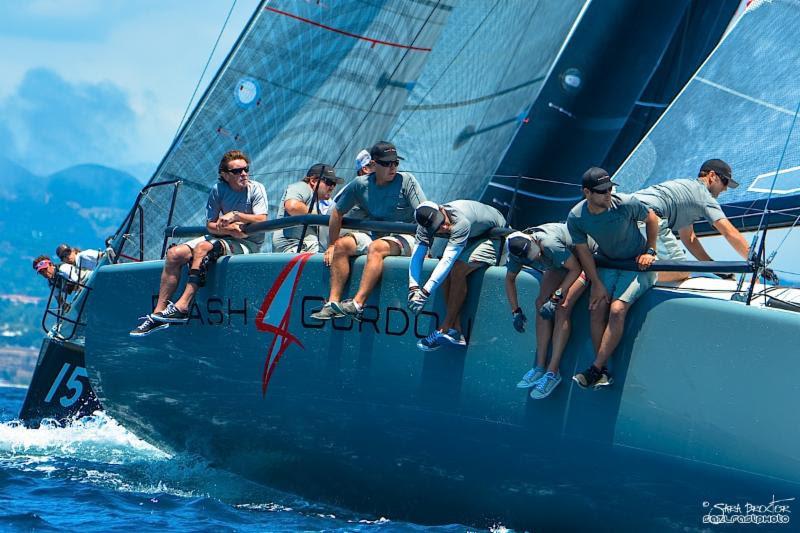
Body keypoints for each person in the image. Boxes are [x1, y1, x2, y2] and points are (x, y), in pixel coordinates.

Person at [130, 150, 268, 336]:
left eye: (246, 169)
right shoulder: (218, 190)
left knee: (203, 248)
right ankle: (157, 315)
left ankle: (183, 306)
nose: (243, 174)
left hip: (248, 243)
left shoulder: (256, 188)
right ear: (225, 175)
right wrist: (228, 229)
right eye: (237, 171)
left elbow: (261, 219)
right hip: (225, 236)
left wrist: (236, 215)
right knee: (174, 254)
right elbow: (210, 226)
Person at [310, 141, 426, 321]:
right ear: (373, 164)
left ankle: (357, 304)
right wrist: (332, 244)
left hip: (408, 236)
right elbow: (337, 212)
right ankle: (332, 304)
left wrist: (426, 249)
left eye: (395, 163)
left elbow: (424, 213)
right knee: (342, 245)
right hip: (376, 235)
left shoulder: (407, 180)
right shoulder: (360, 184)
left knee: (376, 248)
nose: (392, 167)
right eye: (387, 163)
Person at [567, 167, 660, 389]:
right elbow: (583, 252)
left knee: (617, 310)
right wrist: (596, 284)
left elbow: (652, 219)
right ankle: (604, 370)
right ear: (587, 193)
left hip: (636, 265)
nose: (608, 193)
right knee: (597, 308)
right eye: (602, 191)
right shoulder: (576, 217)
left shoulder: (626, 203)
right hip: (608, 263)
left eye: (610, 188)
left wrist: (650, 251)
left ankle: (595, 369)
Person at [505, 224, 590, 399]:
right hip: (561, 261)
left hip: (585, 260)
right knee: (540, 303)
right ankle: (539, 367)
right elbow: (510, 280)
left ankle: (553, 372)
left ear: (534, 241)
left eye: (535, 252)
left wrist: (556, 296)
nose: (535, 257)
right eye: (531, 258)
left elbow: (576, 269)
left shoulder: (549, 243)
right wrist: (515, 311)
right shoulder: (515, 252)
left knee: (562, 307)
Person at [408, 200, 506, 350]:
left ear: (441, 209)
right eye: (437, 228)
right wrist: (414, 288)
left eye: (442, 221)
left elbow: (449, 260)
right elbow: (417, 257)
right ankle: (456, 331)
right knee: (446, 274)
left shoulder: (461, 221)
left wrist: (424, 293)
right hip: (473, 234)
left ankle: (445, 328)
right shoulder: (423, 227)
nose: (444, 227)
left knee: (457, 269)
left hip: (493, 234)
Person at [632, 158, 750, 281]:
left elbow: (689, 238)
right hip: (649, 218)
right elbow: (728, 232)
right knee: (681, 270)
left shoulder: (686, 189)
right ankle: (633, 276)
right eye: (725, 182)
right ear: (712, 176)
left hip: (625, 214)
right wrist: (755, 261)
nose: (725, 189)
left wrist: (715, 269)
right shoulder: (704, 196)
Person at [272, 164, 343, 253]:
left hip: (305, 250)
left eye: (334, 184)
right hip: (293, 247)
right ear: (313, 181)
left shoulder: (316, 203)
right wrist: (318, 217)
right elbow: (292, 206)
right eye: (328, 182)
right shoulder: (303, 187)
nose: (332, 187)